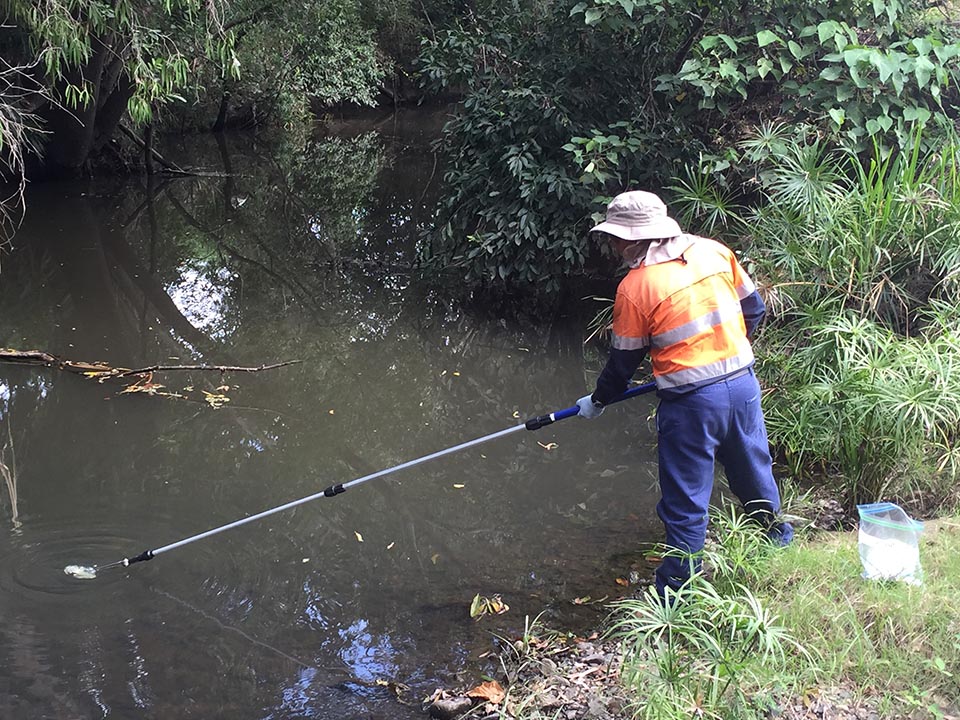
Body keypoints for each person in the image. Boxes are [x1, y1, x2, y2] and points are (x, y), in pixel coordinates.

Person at [575, 190, 793, 598]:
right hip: (743, 385)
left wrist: (598, 401)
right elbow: (755, 310)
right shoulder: (714, 251)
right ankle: (778, 546)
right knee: (753, 471)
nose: (613, 246)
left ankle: (676, 593)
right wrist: (723, 350)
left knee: (686, 499)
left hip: (692, 405)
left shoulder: (636, 286)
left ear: (633, 238)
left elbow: (622, 364)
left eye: (615, 238)